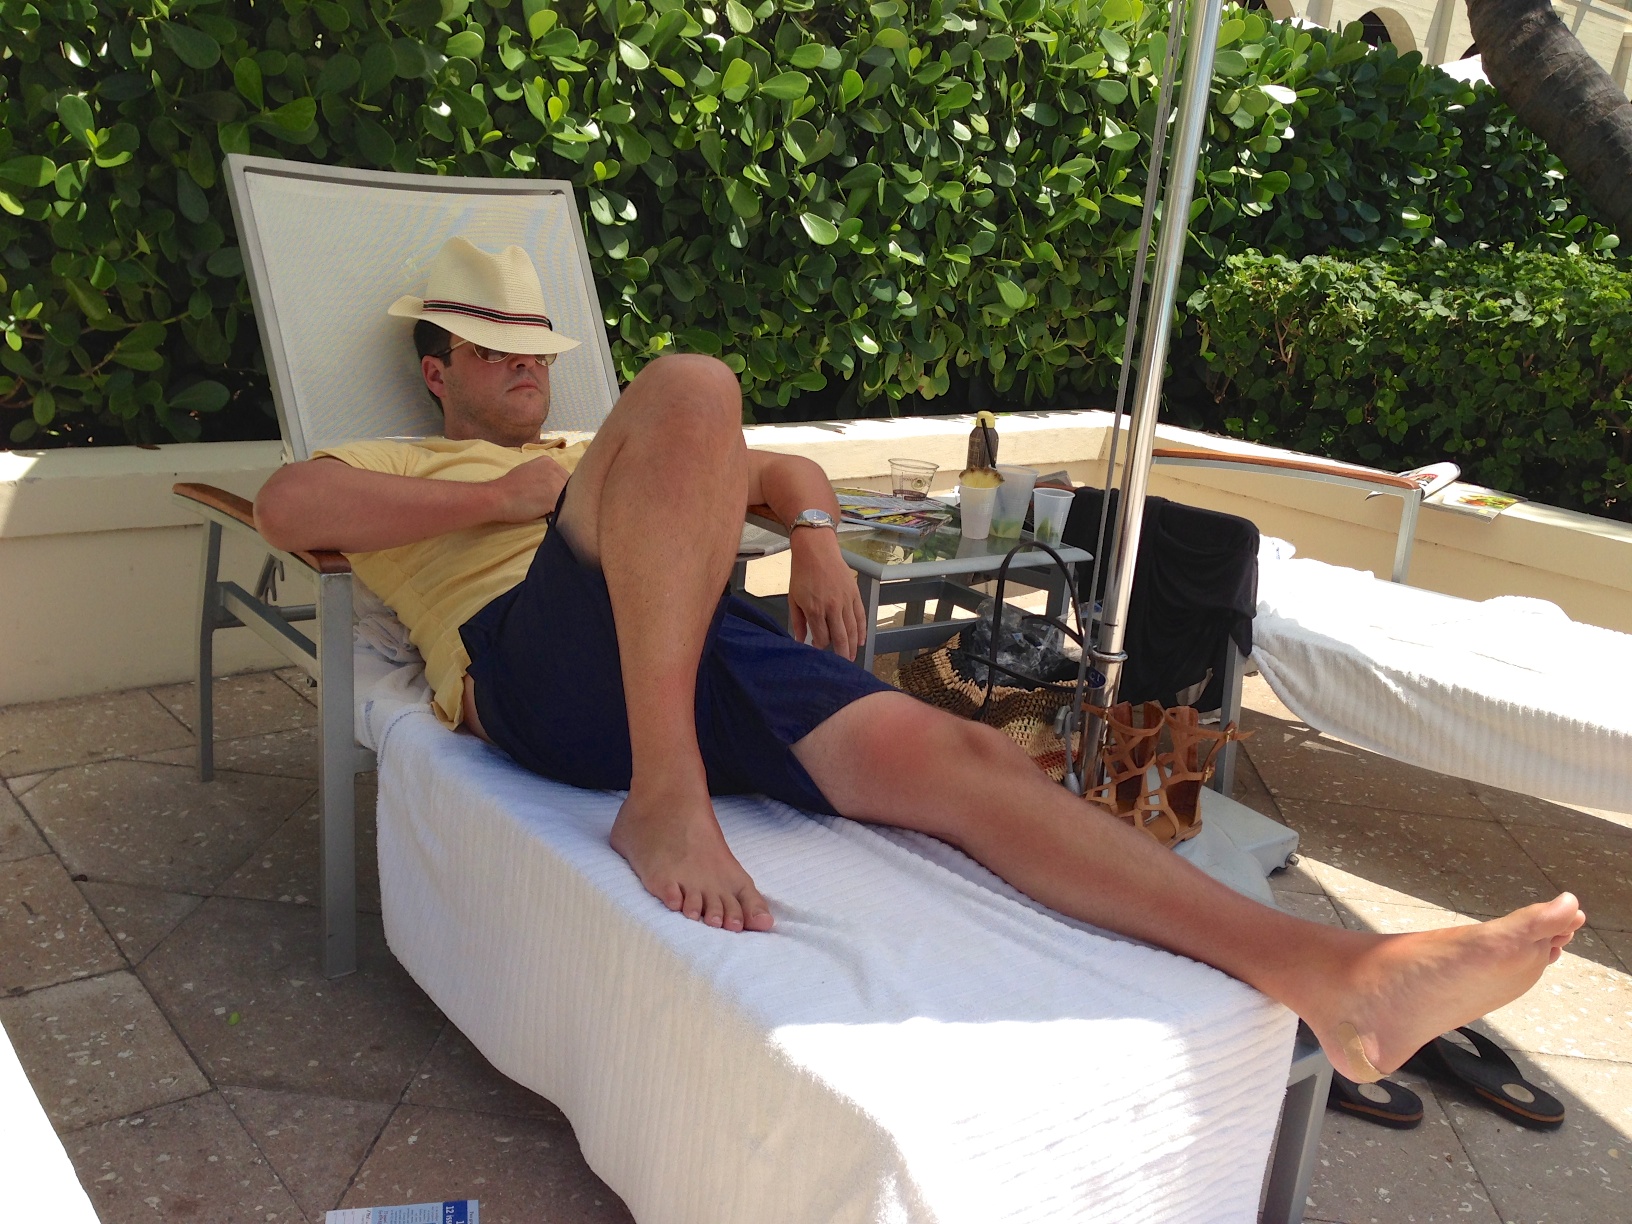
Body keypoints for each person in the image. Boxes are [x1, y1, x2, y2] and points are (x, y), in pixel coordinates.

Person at [255, 237, 1585, 1087]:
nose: (526, 374)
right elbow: (286, 509)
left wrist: (815, 539)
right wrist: (504, 498)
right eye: (493, 354)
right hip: (538, 668)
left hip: (704, 640)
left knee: (960, 756)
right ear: (435, 373)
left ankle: (1330, 977)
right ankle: (667, 797)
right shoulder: (394, 461)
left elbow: (780, 470)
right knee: (695, 381)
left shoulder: (603, 450)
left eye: (537, 354)